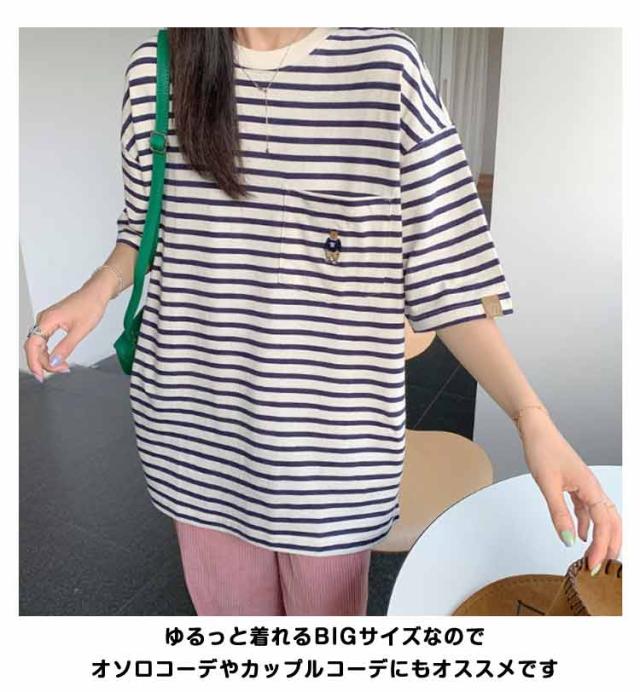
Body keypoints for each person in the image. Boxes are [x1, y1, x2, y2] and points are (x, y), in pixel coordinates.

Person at [23, 27, 621, 616]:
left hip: (329, 456)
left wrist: (530, 417)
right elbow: (145, 226)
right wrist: (97, 289)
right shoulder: (156, 72)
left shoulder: (386, 72)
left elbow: (450, 281)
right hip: (194, 430)